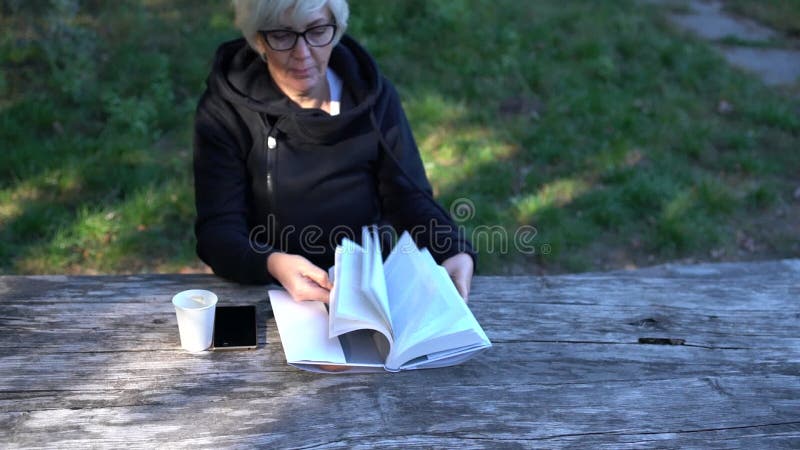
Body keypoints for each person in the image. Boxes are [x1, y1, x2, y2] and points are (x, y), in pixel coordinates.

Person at [193, 0, 475, 303]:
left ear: (336, 28)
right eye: (282, 35)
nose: (302, 53)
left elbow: (407, 195)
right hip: (273, 291)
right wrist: (272, 264)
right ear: (259, 39)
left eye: (316, 31)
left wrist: (453, 249)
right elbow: (217, 232)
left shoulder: (371, 97)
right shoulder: (226, 111)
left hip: (367, 286)